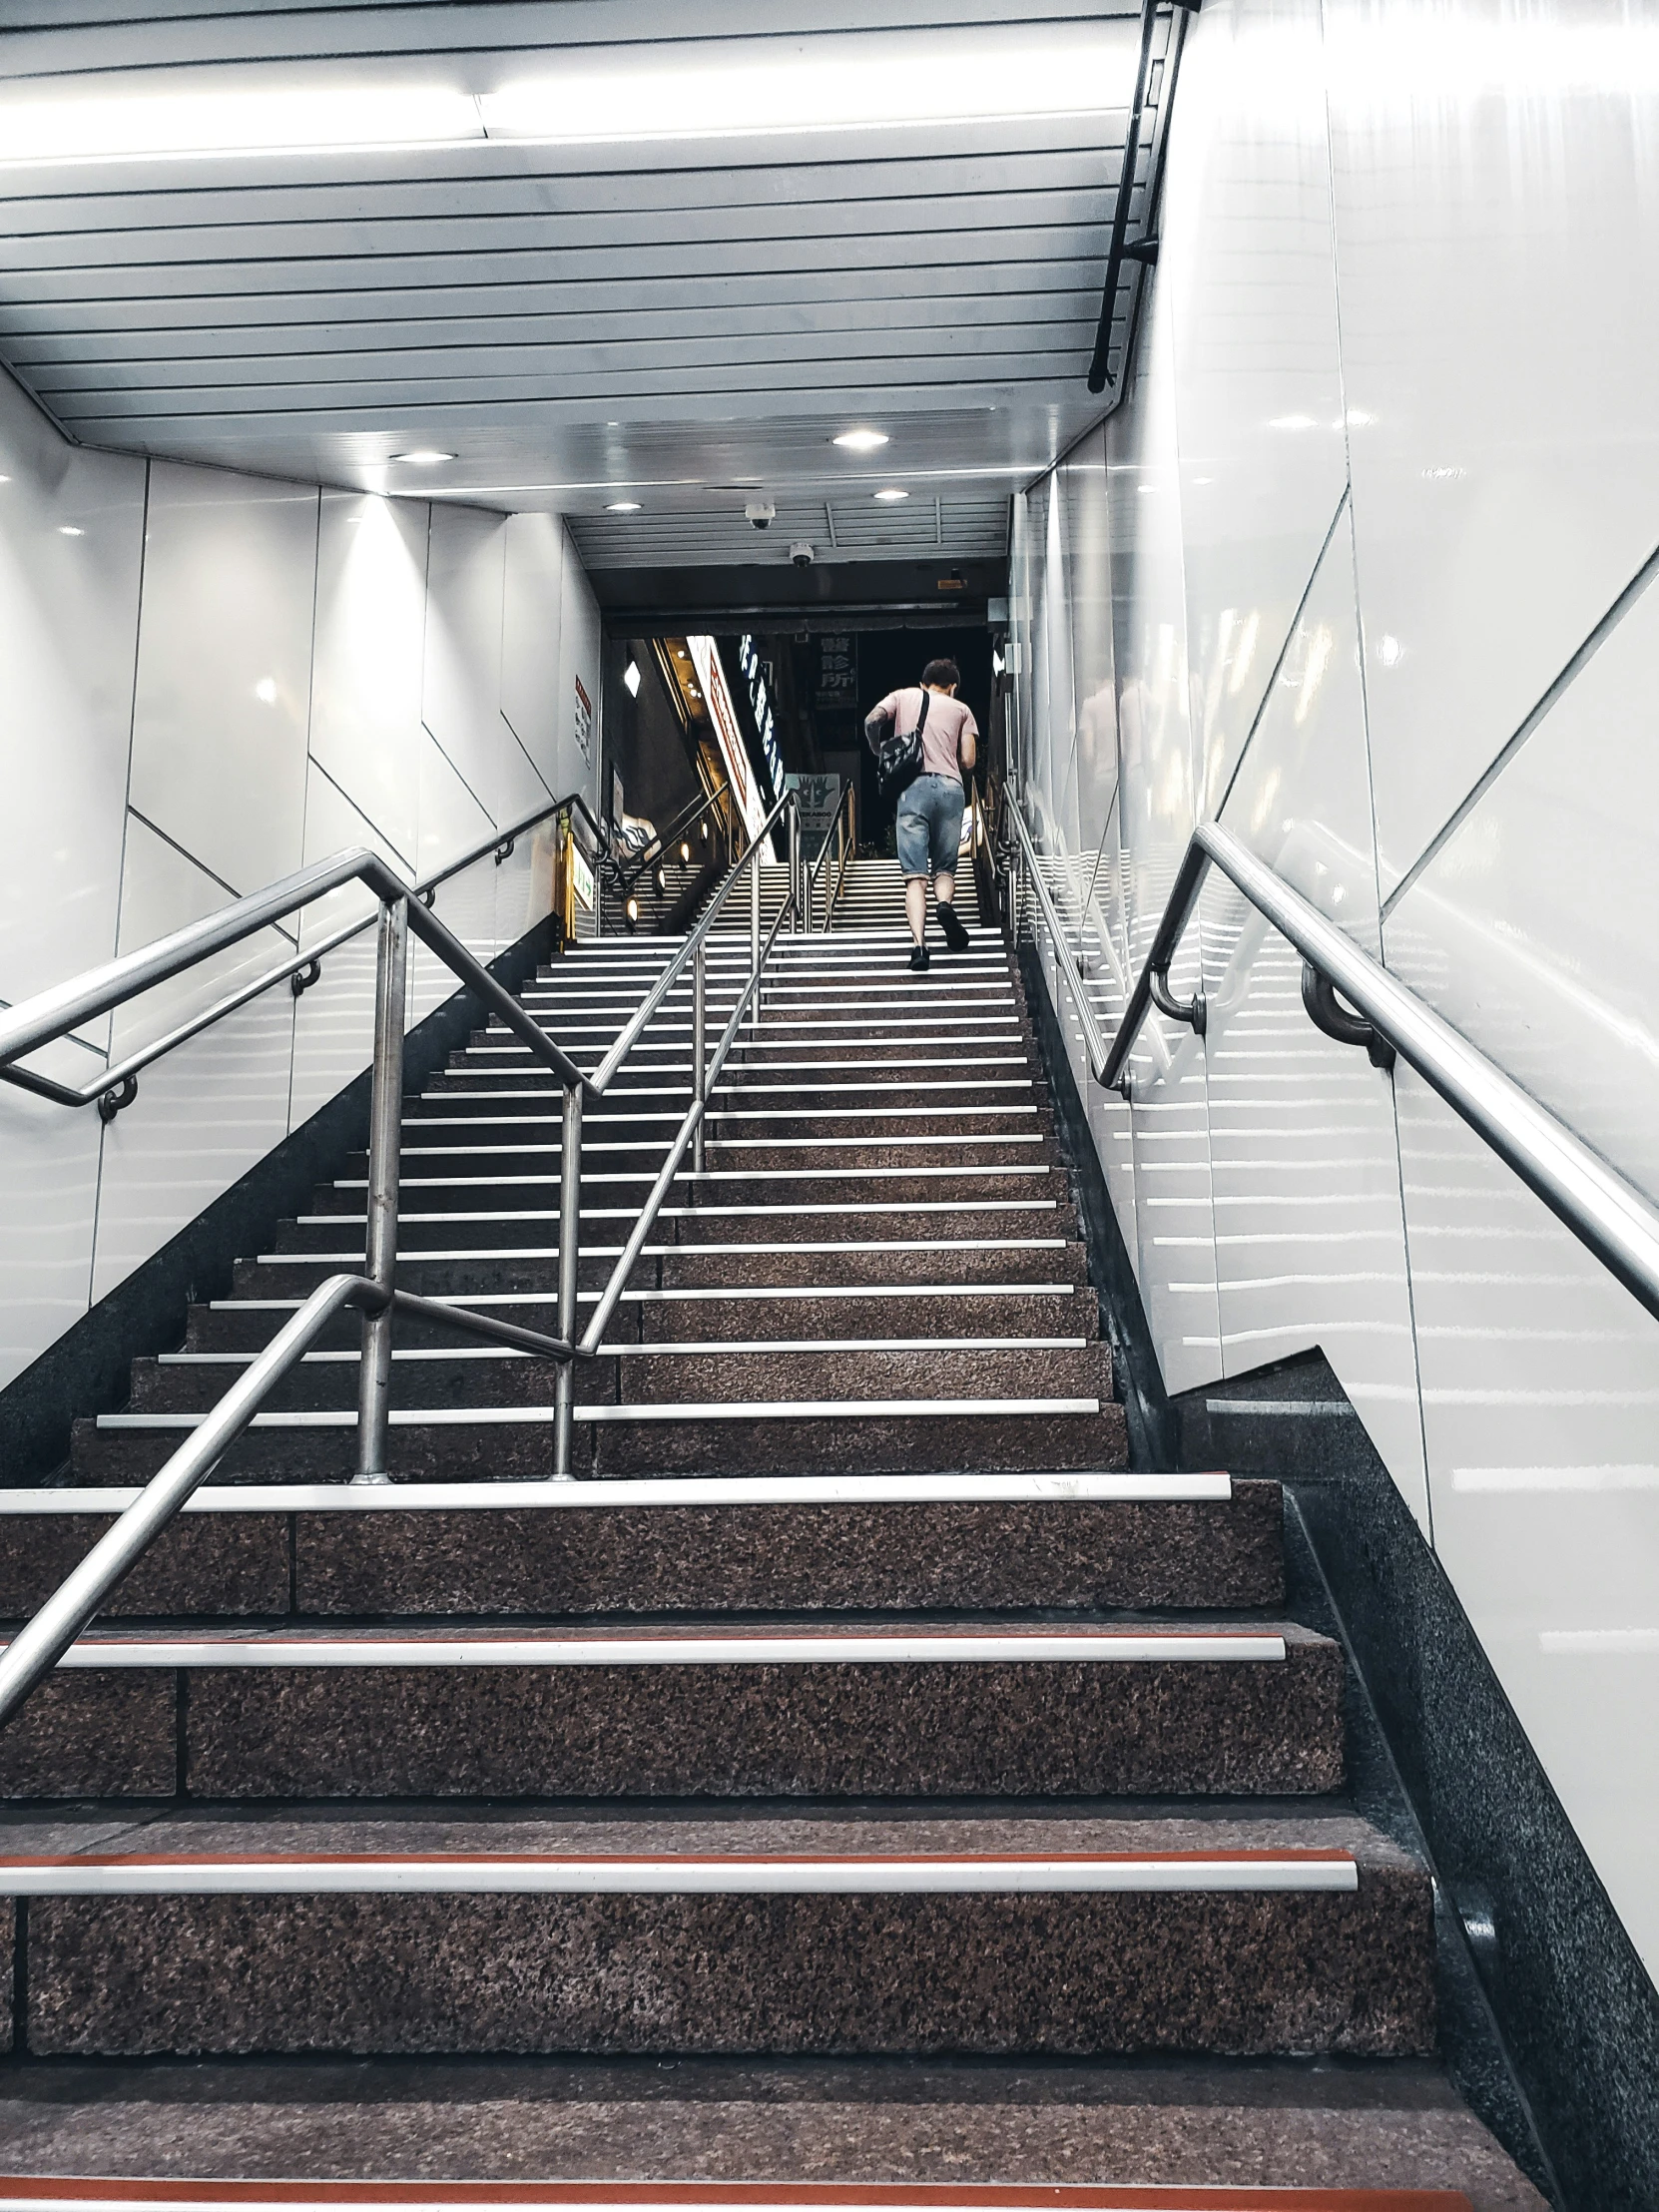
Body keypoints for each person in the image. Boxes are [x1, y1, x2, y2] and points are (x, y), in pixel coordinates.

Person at [864, 657, 978, 970]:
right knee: (945, 869)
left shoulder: (903, 696)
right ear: (953, 686)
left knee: (915, 878)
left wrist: (879, 749)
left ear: (922, 683)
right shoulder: (962, 710)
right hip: (950, 790)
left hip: (912, 789)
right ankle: (944, 905)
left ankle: (919, 947)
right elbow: (968, 760)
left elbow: (871, 721)